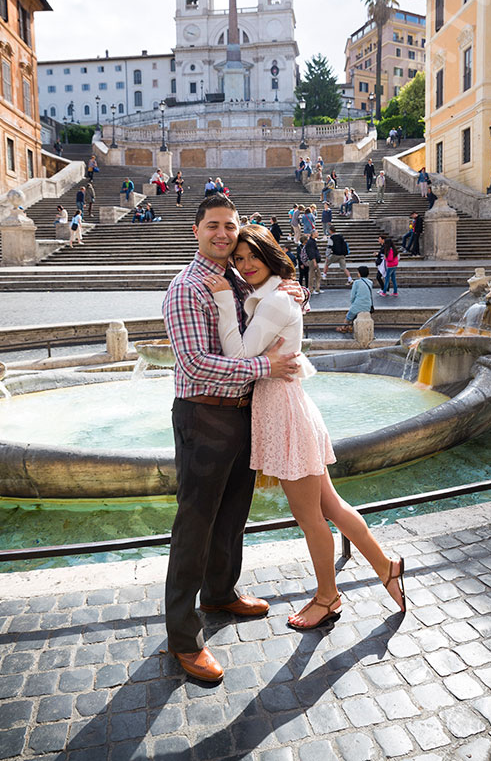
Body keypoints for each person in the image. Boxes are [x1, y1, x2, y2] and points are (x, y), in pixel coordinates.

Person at [205, 227, 406, 630]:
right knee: (331, 507)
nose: (244, 266)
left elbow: (240, 354)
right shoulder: (276, 296)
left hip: (285, 415)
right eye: (239, 260)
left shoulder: (275, 301)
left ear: (269, 255)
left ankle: (328, 597)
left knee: (310, 516)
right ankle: (387, 566)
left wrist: (225, 301)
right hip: (292, 408)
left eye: (251, 257)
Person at [162, 194, 303, 683]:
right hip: (202, 414)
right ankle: (182, 636)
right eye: (213, 226)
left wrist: (290, 290)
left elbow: (269, 303)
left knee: (232, 515)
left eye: (230, 226)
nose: (223, 235)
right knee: (194, 525)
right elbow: (196, 363)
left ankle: (220, 592)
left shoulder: (238, 279)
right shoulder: (186, 288)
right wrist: (266, 367)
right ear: (196, 231)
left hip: (244, 412)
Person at [336, 266, 374, 333]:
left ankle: (343, 327)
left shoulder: (356, 282)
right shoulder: (370, 282)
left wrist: (353, 303)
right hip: (368, 305)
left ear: (359, 274)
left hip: (358, 304)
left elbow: (353, 296)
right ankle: (351, 327)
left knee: (349, 315)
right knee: (355, 313)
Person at [305, 230, 321, 294]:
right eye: (317, 233)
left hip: (315, 260)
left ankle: (317, 288)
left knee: (318, 275)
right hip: (312, 261)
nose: (318, 234)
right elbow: (311, 252)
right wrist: (314, 261)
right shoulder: (310, 242)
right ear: (313, 234)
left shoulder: (312, 241)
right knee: (311, 275)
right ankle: (311, 289)